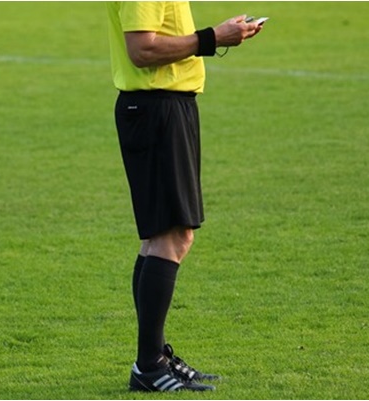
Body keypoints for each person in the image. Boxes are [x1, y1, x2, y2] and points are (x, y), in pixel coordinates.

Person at [106, 2, 264, 392]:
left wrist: (220, 37)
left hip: (167, 106)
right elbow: (142, 49)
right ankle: (148, 366)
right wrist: (214, 38)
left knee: (162, 238)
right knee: (171, 237)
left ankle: (154, 358)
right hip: (156, 109)